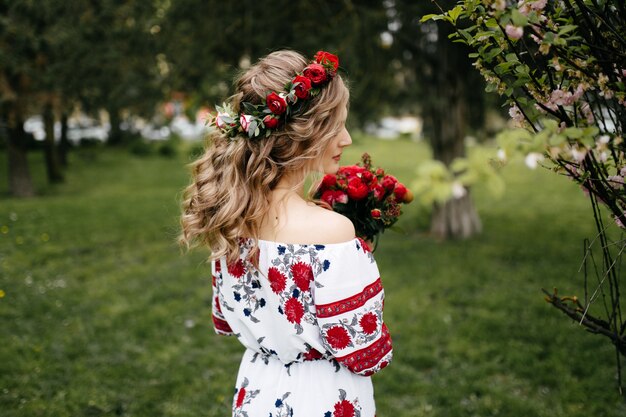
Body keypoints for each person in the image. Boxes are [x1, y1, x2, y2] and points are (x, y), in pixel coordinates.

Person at [180, 50, 392, 417]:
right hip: (324, 397)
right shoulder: (334, 232)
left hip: (259, 388)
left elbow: (225, 319)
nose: (347, 138)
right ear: (305, 134)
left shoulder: (231, 217)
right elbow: (365, 352)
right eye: (337, 125)